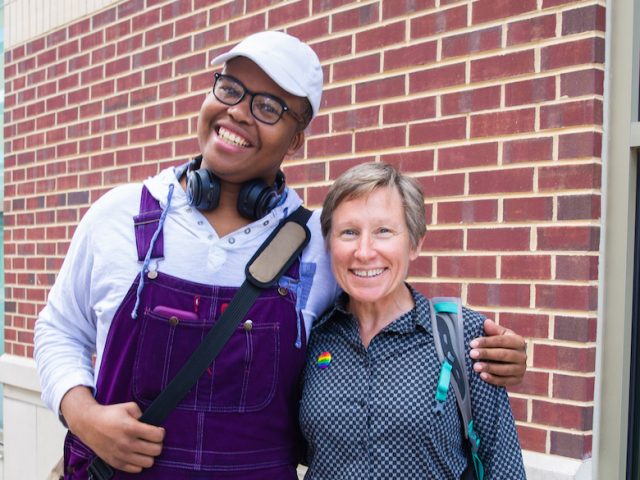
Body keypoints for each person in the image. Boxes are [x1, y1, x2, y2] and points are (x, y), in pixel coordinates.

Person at [34, 31, 526, 479]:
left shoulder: (317, 243)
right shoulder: (117, 215)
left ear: (297, 138)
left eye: (269, 107)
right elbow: (59, 329)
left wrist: (487, 357)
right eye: (229, 89)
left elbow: (385, 314)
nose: (239, 112)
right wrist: (83, 415)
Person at [299, 162, 526, 479]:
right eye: (349, 232)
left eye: (384, 231)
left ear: (415, 242)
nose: (364, 252)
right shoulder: (309, 336)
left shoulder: (464, 337)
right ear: (329, 244)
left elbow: (503, 466)